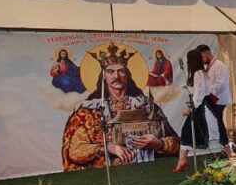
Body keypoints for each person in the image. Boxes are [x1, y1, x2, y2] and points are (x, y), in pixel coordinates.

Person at [61, 43, 179, 172]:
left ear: (127, 76)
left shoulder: (147, 107)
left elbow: (177, 143)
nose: (116, 76)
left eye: (121, 71)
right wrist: (107, 148)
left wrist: (159, 143)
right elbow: (74, 151)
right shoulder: (88, 111)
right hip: (104, 175)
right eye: (110, 72)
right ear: (104, 77)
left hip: (145, 171)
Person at [172, 49, 226, 173]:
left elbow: (200, 94)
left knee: (209, 132)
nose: (187, 62)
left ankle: (183, 160)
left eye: (188, 60)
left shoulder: (198, 73)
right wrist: (190, 89)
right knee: (189, 131)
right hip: (204, 105)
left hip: (203, 107)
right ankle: (182, 160)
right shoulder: (201, 73)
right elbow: (200, 90)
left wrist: (191, 107)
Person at [199, 44, 235, 153]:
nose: (201, 60)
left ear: (207, 53)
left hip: (218, 100)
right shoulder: (209, 67)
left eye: (201, 57)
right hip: (211, 99)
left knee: (218, 123)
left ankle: (228, 149)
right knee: (216, 123)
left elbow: (221, 84)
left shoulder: (219, 66)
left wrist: (207, 91)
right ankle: (225, 148)